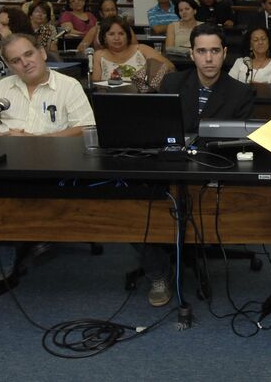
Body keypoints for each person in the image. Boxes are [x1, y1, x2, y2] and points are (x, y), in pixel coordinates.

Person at [0, 33, 95, 306]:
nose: (25, 63)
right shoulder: (3, 88)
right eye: (15, 60)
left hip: (57, 168)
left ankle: (31, 239)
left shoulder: (68, 86)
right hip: (8, 166)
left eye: (29, 54)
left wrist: (39, 140)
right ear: (9, 66)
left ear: (42, 53)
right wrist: (4, 138)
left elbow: (87, 129)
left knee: (19, 201)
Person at [144, 24, 254, 306]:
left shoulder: (241, 92)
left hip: (214, 173)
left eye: (215, 51)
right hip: (171, 168)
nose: (208, 58)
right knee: (136, 204)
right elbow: (159, 128)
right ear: (192, 54)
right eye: (202, 51)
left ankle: (192, 248)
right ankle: (159, 271)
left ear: (224, 53)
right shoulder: (172, 84)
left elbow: (237, 143)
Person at [91, 16, 172, 82]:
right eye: (111, 34)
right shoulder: (99, 55)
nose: (117, 38)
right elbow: (96, 84)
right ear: (104, 37)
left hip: (143, 95)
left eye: (121, 34)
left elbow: (170, 67)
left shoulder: (142, 49)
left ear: (128, 36)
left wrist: (149, 78)